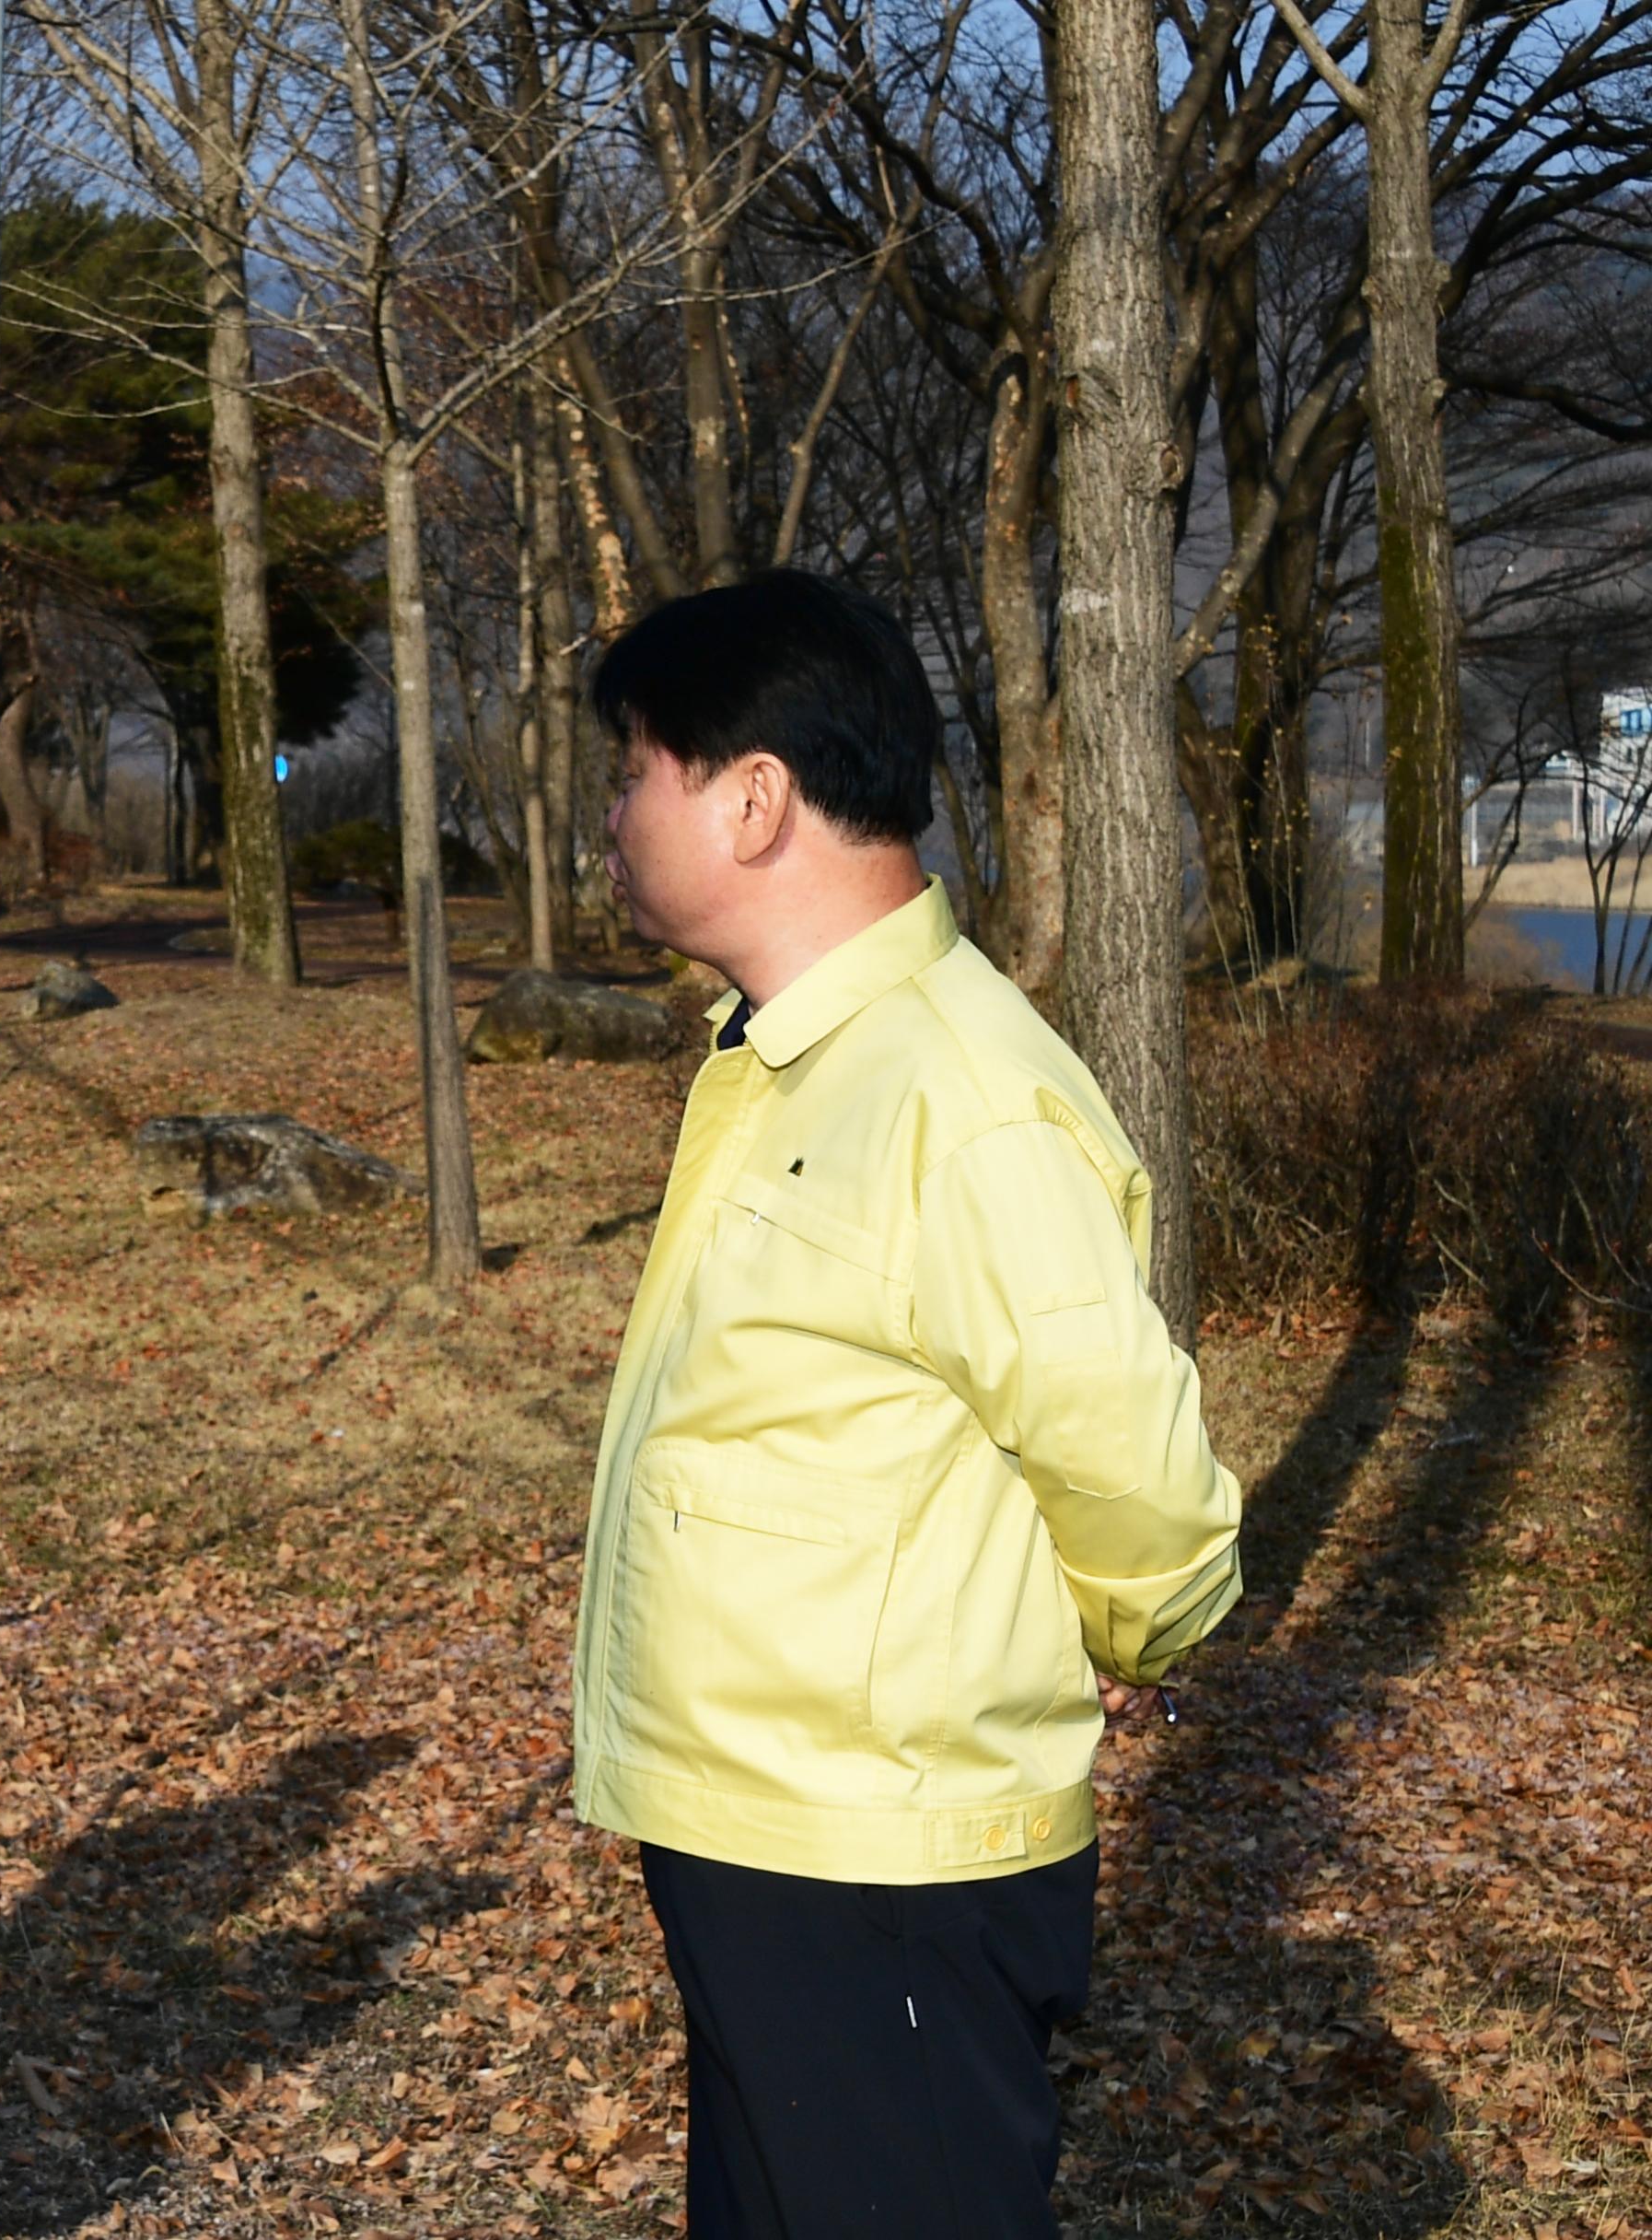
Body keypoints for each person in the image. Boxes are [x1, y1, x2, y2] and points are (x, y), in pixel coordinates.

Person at [574, 569, 1244, 2238]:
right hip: (766, 1826)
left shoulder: (960, 1089)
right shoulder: (796, 1051)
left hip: (887, 1852)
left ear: (752, 800)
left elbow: (1138, 1473)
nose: (608, 813)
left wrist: (1130, 1629)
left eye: (631, 769)